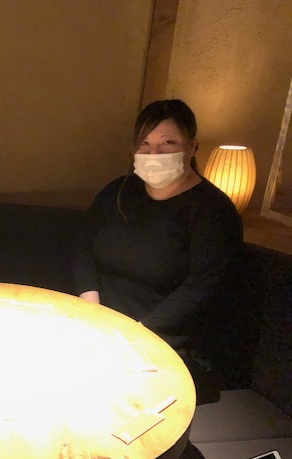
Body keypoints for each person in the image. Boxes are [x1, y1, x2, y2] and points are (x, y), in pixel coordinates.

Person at [73, 99, 243, 401]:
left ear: (192, 147)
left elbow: (202, 287)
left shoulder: (212, 210)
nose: (154, 153)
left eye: (168, 143)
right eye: (145, 143)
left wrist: (135, 334)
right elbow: (82, 249)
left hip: (162, 341)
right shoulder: (118, 191)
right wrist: (92, 311)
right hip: (100, 328)